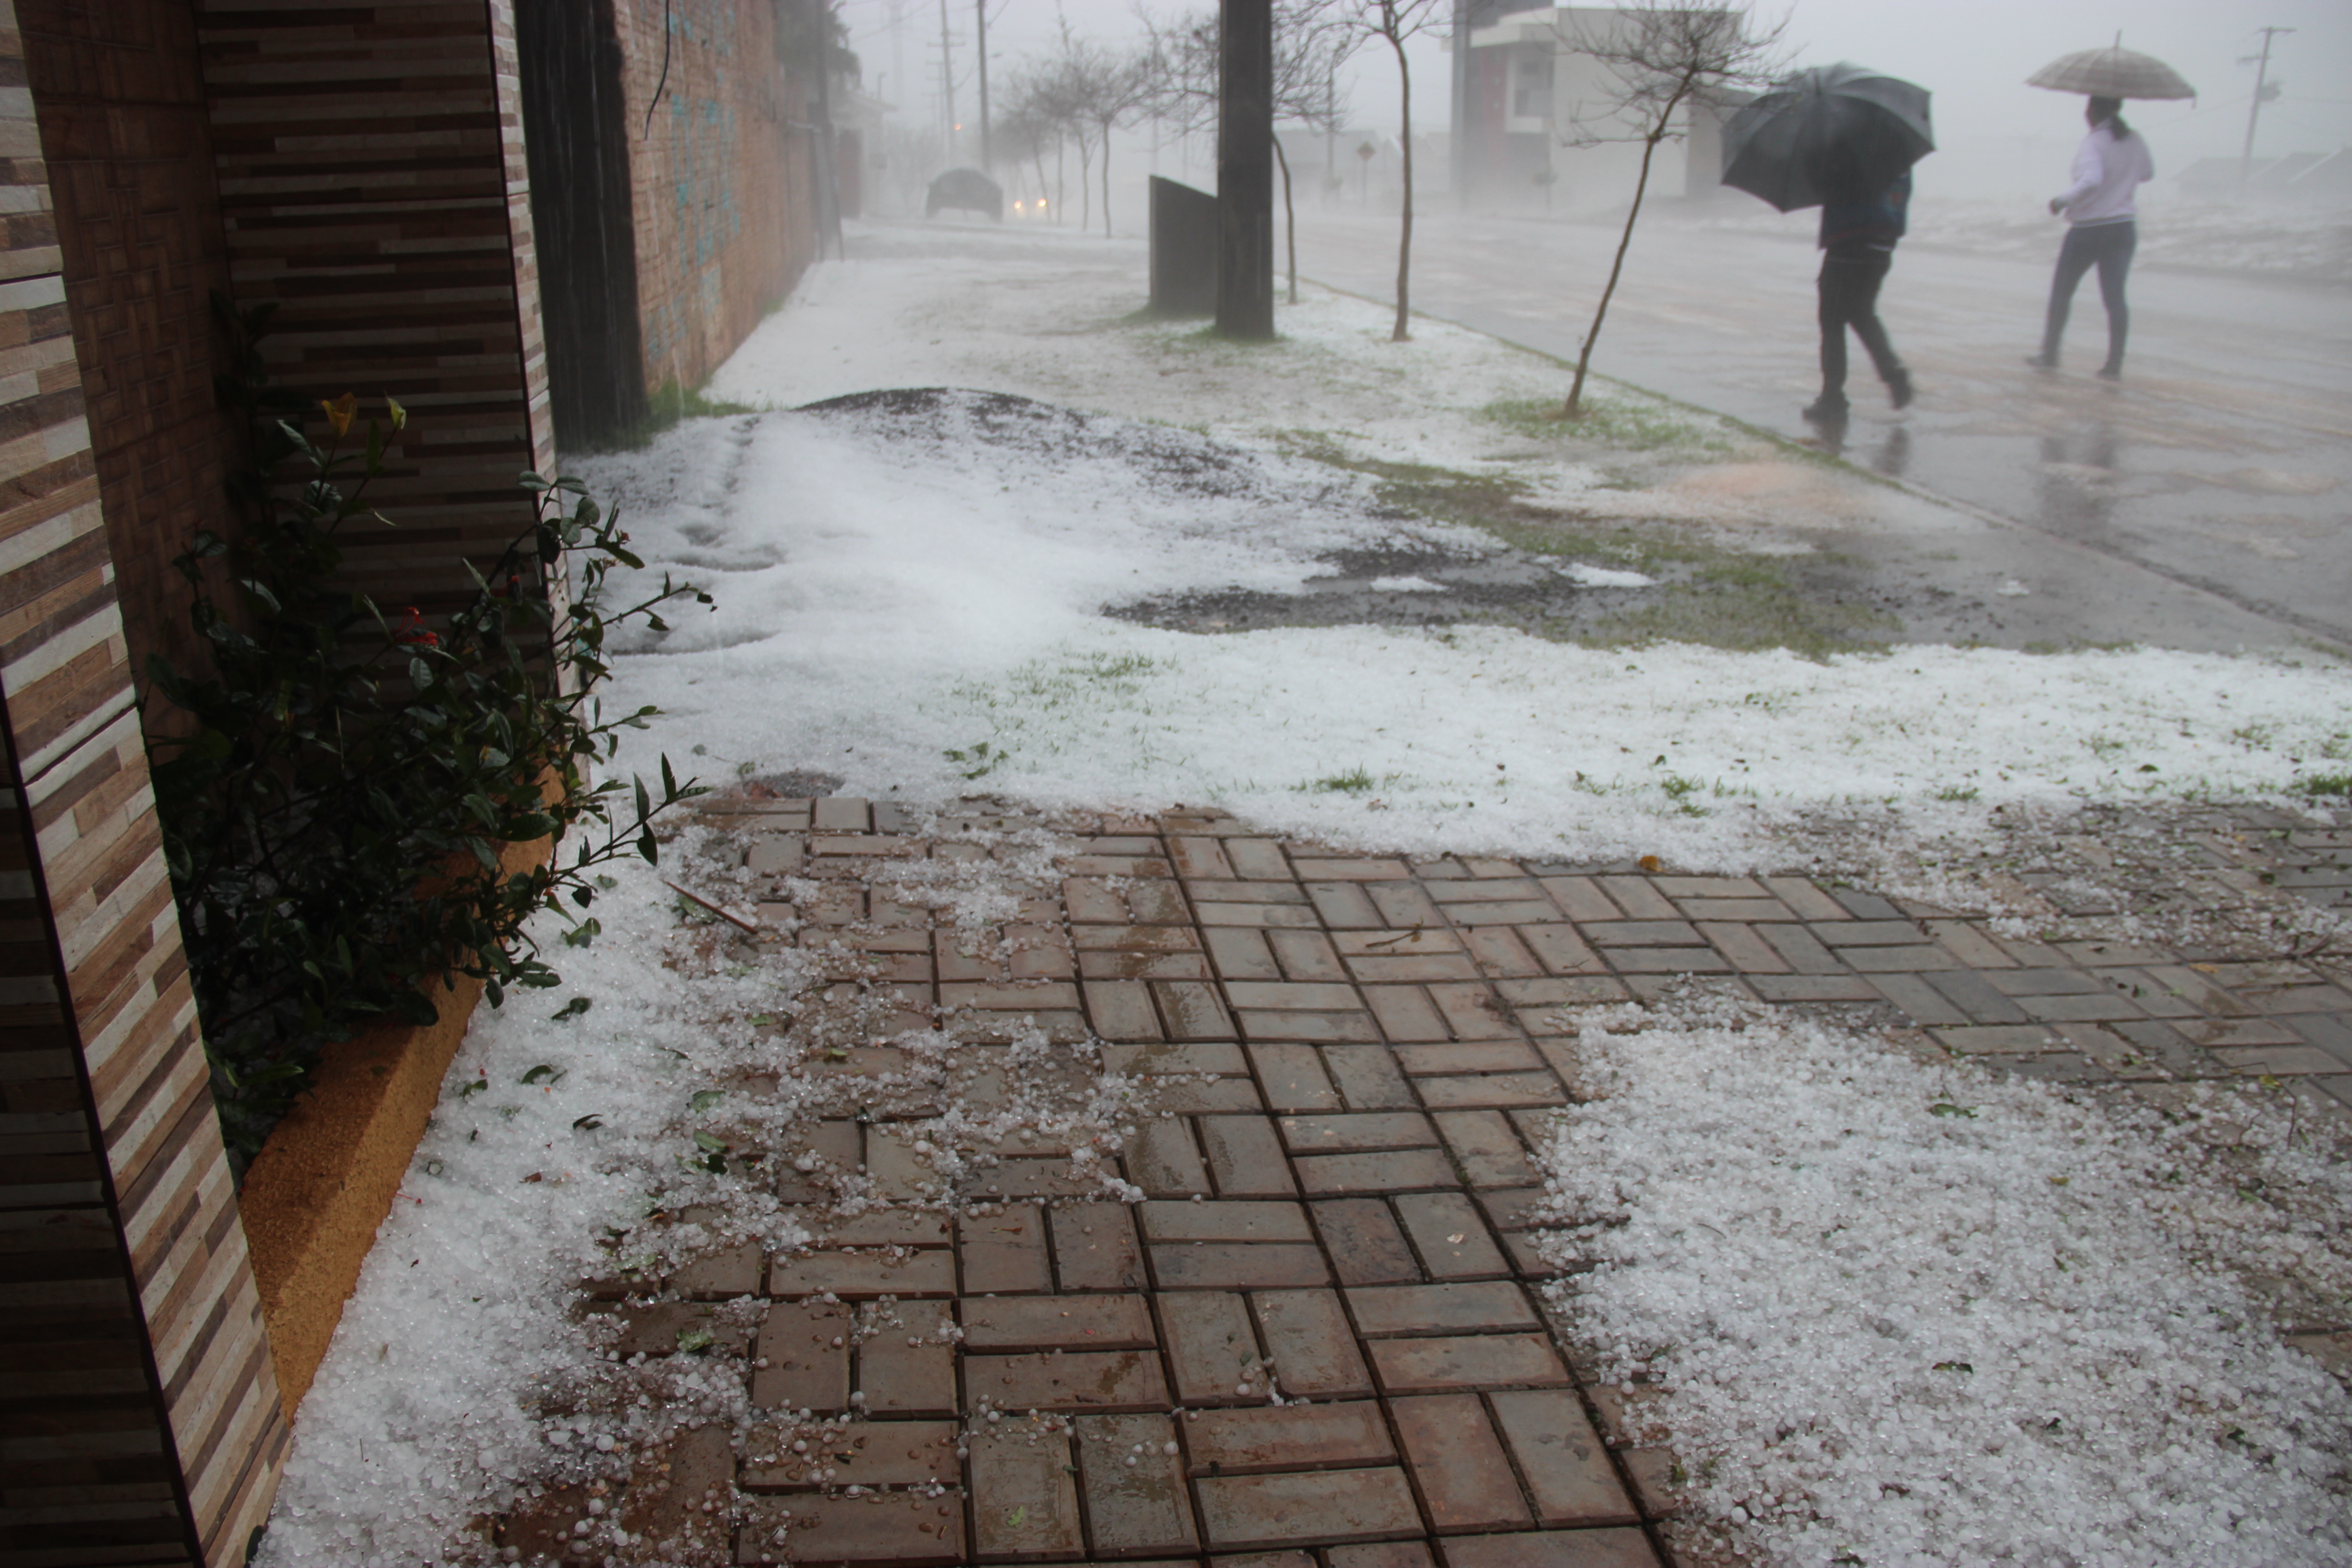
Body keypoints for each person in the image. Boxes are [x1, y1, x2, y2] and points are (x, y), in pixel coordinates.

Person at [2029, 95, 2155, 379]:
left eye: (2088, 109)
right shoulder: (2134, 139)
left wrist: (2062, 201)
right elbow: (2148, 173)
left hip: (2089, 229)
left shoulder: (2093, 142)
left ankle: (2050, 355)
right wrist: (2123, 175)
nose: (2085, 114)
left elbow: (2092, 180)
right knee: (2115, 299)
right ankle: (2114, 365)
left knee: (2062, 292)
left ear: (2095, 112)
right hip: (2123, 227)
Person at [1803, 160, 1914, 425]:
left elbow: (1826, 186)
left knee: (1832, 322)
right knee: (1862, 314)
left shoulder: (1848, 148)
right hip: (1882, 245)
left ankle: (1833, 398)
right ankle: (1892, 372)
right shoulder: (1899, 153)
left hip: (1848, 244)